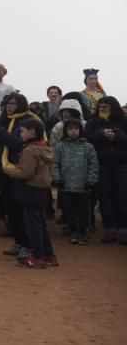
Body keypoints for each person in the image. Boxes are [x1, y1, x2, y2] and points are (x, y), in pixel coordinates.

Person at [2, 118, 57, 268]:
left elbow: (26, 173)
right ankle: (48, 255)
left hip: (30, 190)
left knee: (33, 225)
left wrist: (9, 170)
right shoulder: (44, 147)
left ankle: (37, 257)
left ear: (32, 132)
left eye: (22, 131)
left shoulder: (29, 150)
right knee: (41, 224)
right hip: (42, 190)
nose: (20, 133)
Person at [84, 96, 127, 244]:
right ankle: (109, 229)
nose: (101, 109)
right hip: (101, 165)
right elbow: (86, 140)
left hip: (122, 165)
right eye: (100, 107)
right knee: (105, 198)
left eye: (105, 107)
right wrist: (101, 134)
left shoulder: (124, 121)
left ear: (113, 108)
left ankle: (123, 229)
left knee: (122, 198)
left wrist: (116, 137)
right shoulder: (92, 123)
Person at [53, 118, 99, 245]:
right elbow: (55, 164)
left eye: (76, 129)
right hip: (66, 185)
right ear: (65, 131)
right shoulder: (60, 147)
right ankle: (73, 231)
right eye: (70, 129)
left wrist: (91, 180)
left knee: (84, 211)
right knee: (69, 210)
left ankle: (83, 232)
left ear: (80, 130)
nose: (73, 131)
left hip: (83, 185)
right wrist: (58, 179)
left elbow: (93, 164)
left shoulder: (88, 146)